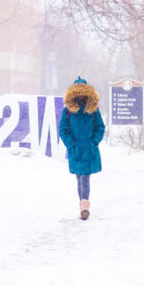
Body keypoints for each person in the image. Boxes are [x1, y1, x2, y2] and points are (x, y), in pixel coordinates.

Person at [59, 76, 105, 220]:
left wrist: (94, 141)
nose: (80, 96)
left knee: (85, 177)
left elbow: (100, 127)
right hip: (76, 149)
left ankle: (84, 207)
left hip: (89, 148)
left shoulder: (93, 110)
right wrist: (71, 144)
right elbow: (63, 130)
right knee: (80, 177)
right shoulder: (67, 111)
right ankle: (83, 206)